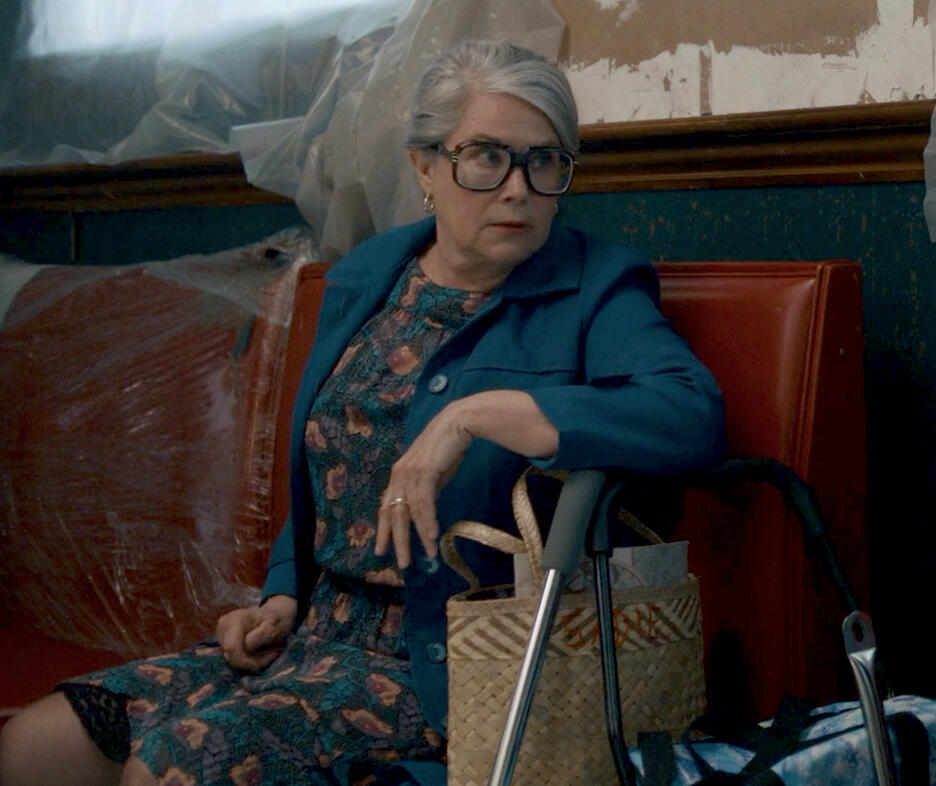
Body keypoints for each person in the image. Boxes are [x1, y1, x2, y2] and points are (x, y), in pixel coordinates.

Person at [0, 39, 725, 786]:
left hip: (458, 665)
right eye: (486, 157)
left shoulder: (596, 286)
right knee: (35, 748)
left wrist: (477, 414)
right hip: (312, 635)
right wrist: (282, 594)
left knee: (169, 769)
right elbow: (332, 464)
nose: (518, 189)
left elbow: (691, 414)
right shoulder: (370, 274)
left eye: (544, 161)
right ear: (425, 167)